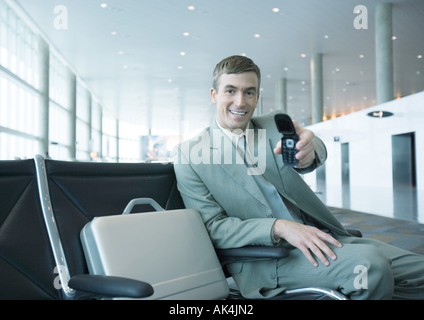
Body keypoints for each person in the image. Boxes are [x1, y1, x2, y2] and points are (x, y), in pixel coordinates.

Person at [173, 55, 424, 299]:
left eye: (249, 92)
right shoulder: (191, 154)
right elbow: (213, 227)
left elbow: (312, 148)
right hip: (269, 259)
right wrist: (279, 227)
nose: (240, 101)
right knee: (370, 269)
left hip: (323, 234)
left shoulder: (272, 125)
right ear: (214, 95)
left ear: (258, 97)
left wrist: (311, 150)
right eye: (230, 91)